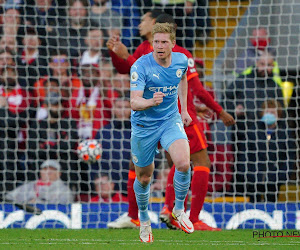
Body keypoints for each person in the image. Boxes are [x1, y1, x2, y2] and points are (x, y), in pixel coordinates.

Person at [107, 11, 235, 231]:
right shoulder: (166, 53)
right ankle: (186, 217)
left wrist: (125, 56)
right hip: (168, 118)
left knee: (168, 163)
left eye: (143, 20)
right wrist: (116, 54)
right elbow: (130, 70)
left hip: (157, 117)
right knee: (198, 162)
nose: (139, 24)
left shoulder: (168, 54)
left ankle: (147, 213)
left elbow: (183, 85)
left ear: (155, 23)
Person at [130, 22, 194, 243]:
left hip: (169, 120)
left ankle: (178, 209)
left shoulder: (181, 61)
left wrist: (183, 109)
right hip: (144, 126)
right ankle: (145, 219)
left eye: (163, 42)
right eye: (155, 42)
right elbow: (134, 102)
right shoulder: (140, 66)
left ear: (172, 44)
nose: (159, 46)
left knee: (184, 163)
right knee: (145, 178)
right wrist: (149, 101)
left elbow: (182, 78)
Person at [224, 51, 284, 196]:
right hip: (242, 134)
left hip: (267, 136)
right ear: (257, 64)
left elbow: (282, 110)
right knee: (242, 168)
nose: (265, 68)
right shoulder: (242, 81)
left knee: (267, 166)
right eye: (262, 64)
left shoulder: (275, 86)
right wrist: (234, 111)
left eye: (269, 65)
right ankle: (241, 198)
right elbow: (225, 102)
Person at [5, 160, 74, 204]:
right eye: (45, 169)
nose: (48, 172)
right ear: (40, 172)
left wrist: (39, 203)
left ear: (59, 173)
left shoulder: (64, 190)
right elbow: (8, 198)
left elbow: (64, 206)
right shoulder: (29, 186)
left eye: (52, 169)